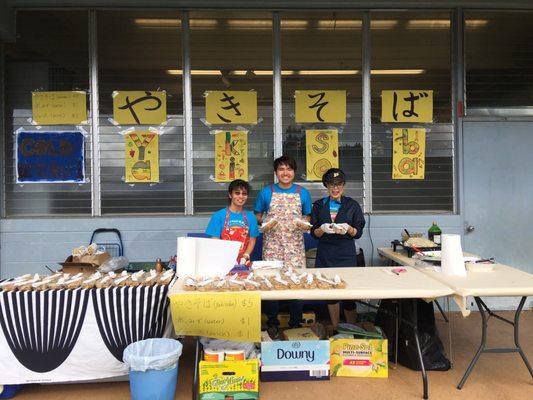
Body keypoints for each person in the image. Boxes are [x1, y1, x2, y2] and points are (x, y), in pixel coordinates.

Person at [254, 156, 312, 333]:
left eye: (289, 169)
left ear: (294, 172)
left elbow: (307, 216)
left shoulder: (303, 193)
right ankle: (273, 323)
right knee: (272, 281)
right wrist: (266, 222)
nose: (285, 173)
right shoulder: (266, 192)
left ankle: (295, 323)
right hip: (272, 244)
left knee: (297, 281)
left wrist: (303, 223)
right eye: (281, 169)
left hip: (295, 245)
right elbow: (257, 215)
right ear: (276, 172)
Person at [310, 168, 365, 329]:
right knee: (331, 294)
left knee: (348, 295)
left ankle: (352, 328)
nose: (335, 188)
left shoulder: (352, 205)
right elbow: (314, 233)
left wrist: (349, 229)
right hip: (326, 254)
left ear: (344, 185)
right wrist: (323, 228)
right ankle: (335, 328)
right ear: (326, 186)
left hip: (346, 254)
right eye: (331, 185)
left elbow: (358, 233)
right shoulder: (319, 205)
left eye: (339, 184)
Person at [205, 179, 260, 264]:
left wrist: (246, 256)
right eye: (237, 193)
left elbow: (252, 239)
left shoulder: (251, 217)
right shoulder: (218, 216)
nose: (241, 196)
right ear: (230, 195)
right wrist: (226, 257)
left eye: (244, 194)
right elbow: (215, 240)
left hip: (243, 263)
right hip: (222, 261)